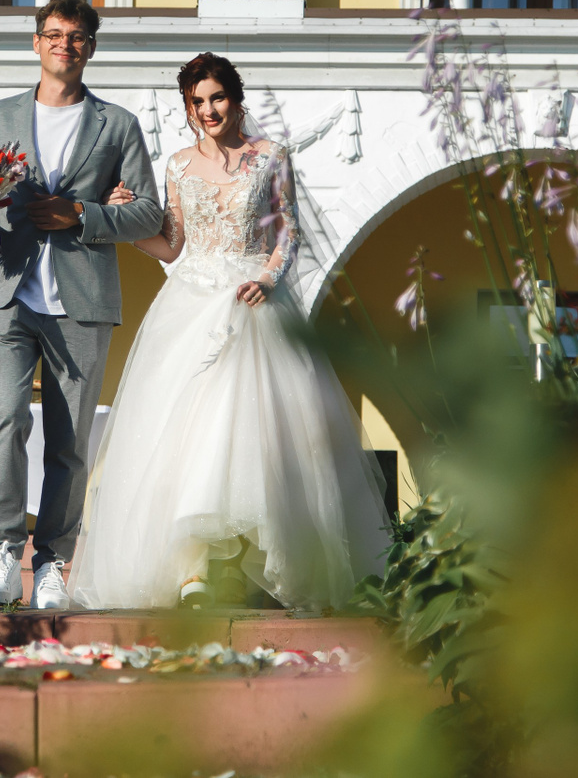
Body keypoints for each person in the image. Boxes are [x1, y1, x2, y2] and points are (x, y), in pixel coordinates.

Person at [69, 52, 391, 610]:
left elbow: (289, 232)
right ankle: (190, 572)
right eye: (197, 102)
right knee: (183, 437)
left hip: (253, 302)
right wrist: (122, 221)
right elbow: (172, 245)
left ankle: (265, 566)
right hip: (190, 307)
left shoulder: (271, 156)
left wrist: (268, 278)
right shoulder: (177, 165)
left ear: (235, 99)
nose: (208, 110)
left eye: (217, 97)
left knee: (258, 439)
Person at [0, 0, 163, 609]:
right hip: (7, 291)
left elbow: (148, 214)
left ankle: (52, 562)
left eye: (75, 37)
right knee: (5, 417)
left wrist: (81, 214)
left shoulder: (117, 125)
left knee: (68, 441)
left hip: (83, 300)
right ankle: (2, 552)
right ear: (36, 43)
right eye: (53, 34)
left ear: (90, 48)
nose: (63, 45)